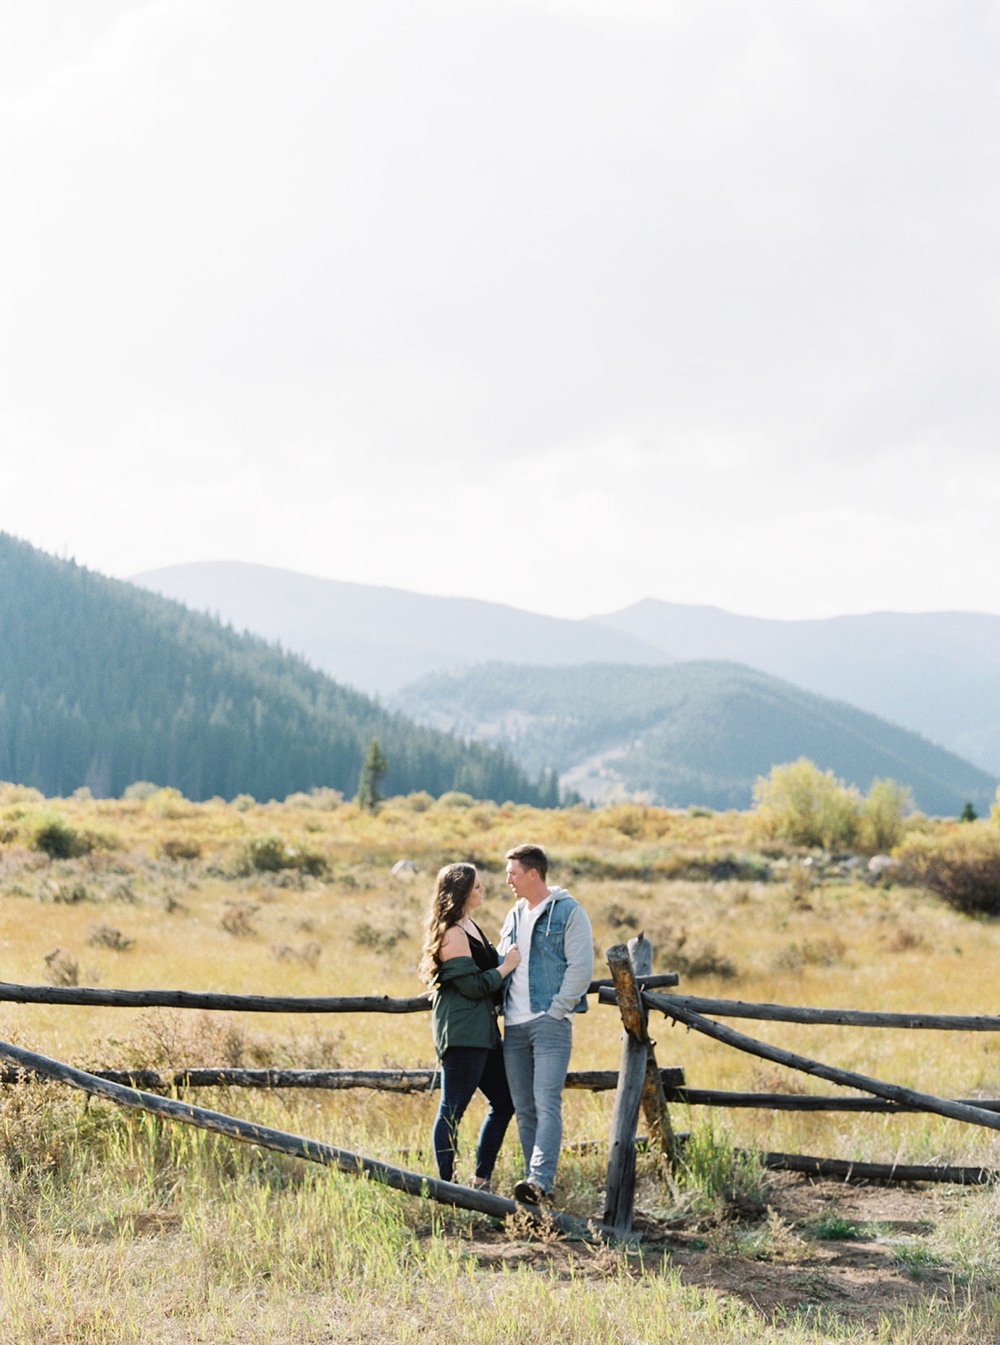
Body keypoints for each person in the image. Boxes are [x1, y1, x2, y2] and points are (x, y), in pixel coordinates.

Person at [498, 843, 593, 1205]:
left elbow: (581, 967)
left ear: (533, 874)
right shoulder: (513, 916)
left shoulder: (569, 912)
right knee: (524, 1108)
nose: (508, 880)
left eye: (513, 873)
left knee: (546, 1101)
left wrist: (557, 1009)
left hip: (549, 1022)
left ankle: (540, 1180)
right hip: (515, 1025)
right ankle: (533, 1190)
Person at [419, 862, 521, 1189]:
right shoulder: (452, 933)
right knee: (452, 1110)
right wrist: (507, 967)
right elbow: (474, 986)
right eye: (477, 886)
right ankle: (447, 1187)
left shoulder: (471, 925)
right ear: (462, 891)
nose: (483, 890)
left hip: (484, 1031)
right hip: (464, 1033)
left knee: (505, 1101)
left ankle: (480, 1181)